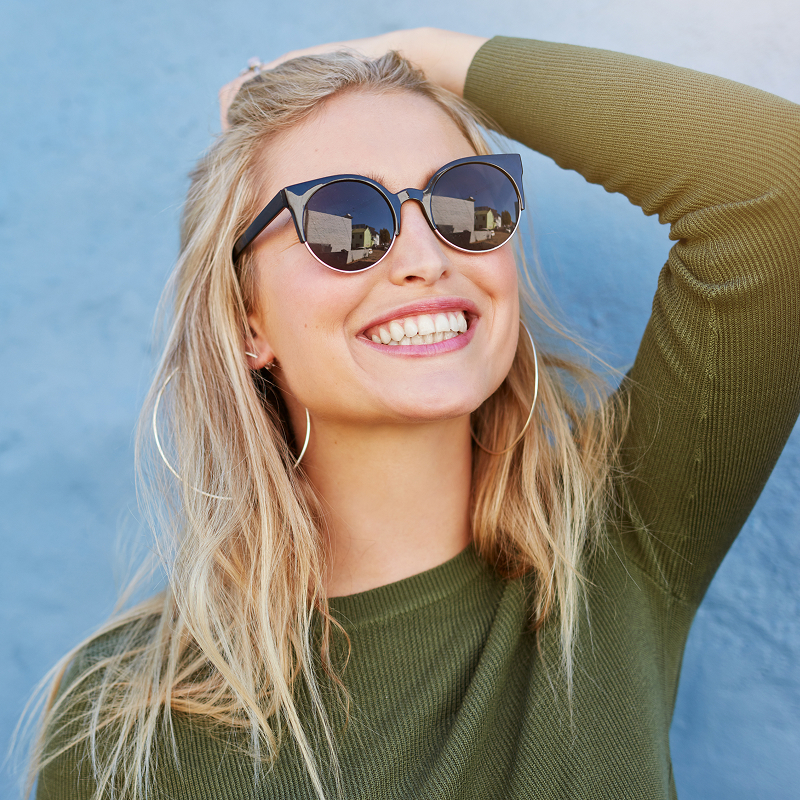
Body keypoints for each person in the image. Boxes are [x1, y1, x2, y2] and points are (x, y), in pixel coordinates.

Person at [26, 27, 800, 800]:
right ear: (246, 322)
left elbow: (778, 184)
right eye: (340, 219)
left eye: (464, 200)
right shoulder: (123, 723)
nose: (427, 258)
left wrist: (414, 54)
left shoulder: (613, 547)